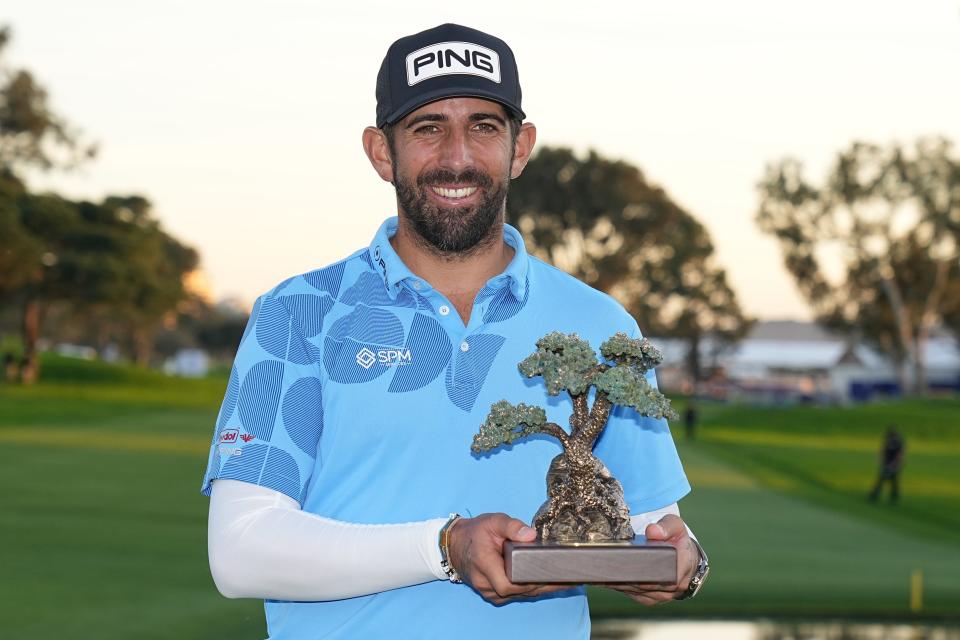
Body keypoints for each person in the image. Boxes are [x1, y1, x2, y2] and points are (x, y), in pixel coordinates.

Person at [201, 23, 708, 639]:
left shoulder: (601, 325)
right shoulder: (298, 313)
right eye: (428, 128)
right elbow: (240, 549)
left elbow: (656, 525)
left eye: (484, 127)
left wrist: (684, 562)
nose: (457, 156)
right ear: (381, 151)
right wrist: (445, 546)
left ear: (520, 148)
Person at [869, 425, 905, 504]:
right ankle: (876, 496)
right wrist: (882, 461)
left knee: (890, 481)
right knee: (885, 481)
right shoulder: (889, 441)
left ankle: (890, 498)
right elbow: (883, 451)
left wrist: (894, 464)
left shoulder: (898, 442)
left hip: (893, 465)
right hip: (887, 464)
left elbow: (899, 455)